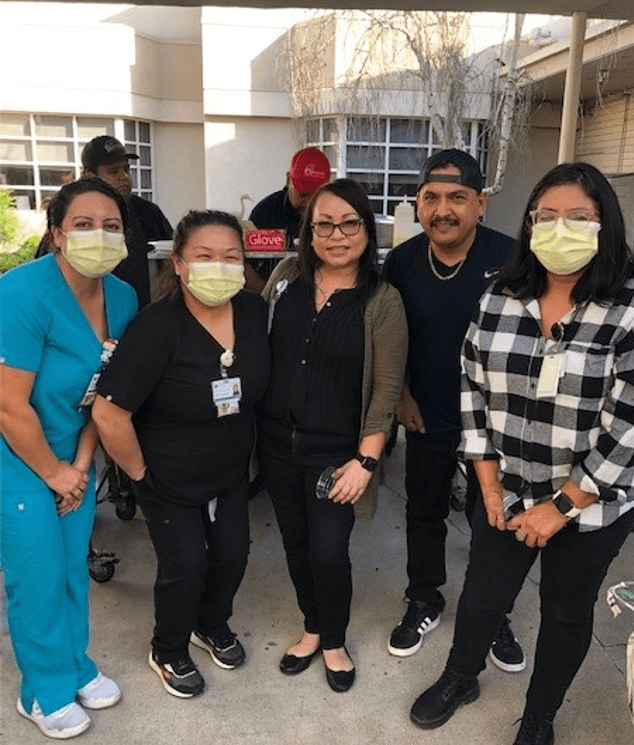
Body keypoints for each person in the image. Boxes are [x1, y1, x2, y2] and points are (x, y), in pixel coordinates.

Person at [409, 162, 634, 745]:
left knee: (565, 612)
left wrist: (563, 506)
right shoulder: (500, 295)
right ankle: (460, 676)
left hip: (592, 505)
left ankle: (539, 716)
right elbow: (471, 390)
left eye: (578, 218)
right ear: (528, 225)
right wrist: (488, 484)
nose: (560, 228)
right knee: (482, 596)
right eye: (546, 217)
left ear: (606, 226)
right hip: (507, 490)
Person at [92, 210, 270, 699]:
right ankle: (168, 648)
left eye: (231, 257)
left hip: (231, 471)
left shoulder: (254, 312)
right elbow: (110, 414)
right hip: (167, 477)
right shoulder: (157, 327)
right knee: (185, 567)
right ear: (179, 263)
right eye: (204, 256)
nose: (219, 267)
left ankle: (210, 624)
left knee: (233, 557)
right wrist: (140, 473)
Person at [0, 178, 138, 739]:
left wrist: (79, 467)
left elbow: (105, 397)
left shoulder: (123, 297)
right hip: (16, 453)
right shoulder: (21, 292)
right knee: (37, 573)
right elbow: (9, 406)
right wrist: (54, 472)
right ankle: (42, 690)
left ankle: (75, 666)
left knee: (71, 568)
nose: (99, 236)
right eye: (83, 224)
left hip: (74, 454)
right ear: (57, 233)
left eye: (111, 225)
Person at [258, 178, 408, 693]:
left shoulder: (382, 299)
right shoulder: (285, 277)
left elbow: (387, 388)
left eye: (350, 223)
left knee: (327, 550)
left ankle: (335, 639)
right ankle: (313, 626)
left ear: (367, 230)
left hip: (337, 455)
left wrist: (365, 461)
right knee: (296, 547)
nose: (336, 234)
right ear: (309, 229)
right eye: (324, 223)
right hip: (277, 443)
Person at [381, 149, 523, 670]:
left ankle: (493, 611)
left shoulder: (512, 259)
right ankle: (425, 597)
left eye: (458, 198)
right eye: (432, 198)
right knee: (424, 510)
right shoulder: (401, 261)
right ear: (417, 205)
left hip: (498, 423)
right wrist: (398, 396)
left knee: (493, 518)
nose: (444, 209)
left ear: (480, 203)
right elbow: (388, 338)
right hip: (428, 411)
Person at [82, 134, 173, 308]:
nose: (123, 177)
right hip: (93, 317)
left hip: (147, 317)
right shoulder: (71, 215)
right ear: (90, 175)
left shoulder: (148, 212)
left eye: (126, 169)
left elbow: (172, 258)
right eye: (113, 171)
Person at [246, 147, 331, 290]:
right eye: (303, 195)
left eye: (316, 195)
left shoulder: (333, 213)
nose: (309, 202)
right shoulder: (266, 212)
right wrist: (267, 297)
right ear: (288, 180)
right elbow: (246, 266)